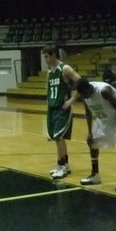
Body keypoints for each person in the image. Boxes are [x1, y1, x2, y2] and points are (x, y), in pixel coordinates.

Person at [74, 78, 116, 193]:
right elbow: (88, 111)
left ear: (88, 89)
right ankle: (95, 175)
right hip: (105, 114)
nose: (84, 98)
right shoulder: (84, 93)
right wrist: (89, 132)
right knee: (92, 142)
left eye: (84, 95)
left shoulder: (103, 91)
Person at [42, 45, 81, 179]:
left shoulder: (65, 68)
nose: (45, 59)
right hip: (52, 108)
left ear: (53, 55)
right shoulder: (50, 71)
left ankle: (62, 165)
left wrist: (72, 100)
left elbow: (80, 82)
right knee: (56, 138)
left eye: (47, 56)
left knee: (59, 137)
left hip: (63, 108)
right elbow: (49, 88)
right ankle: (63, 165)